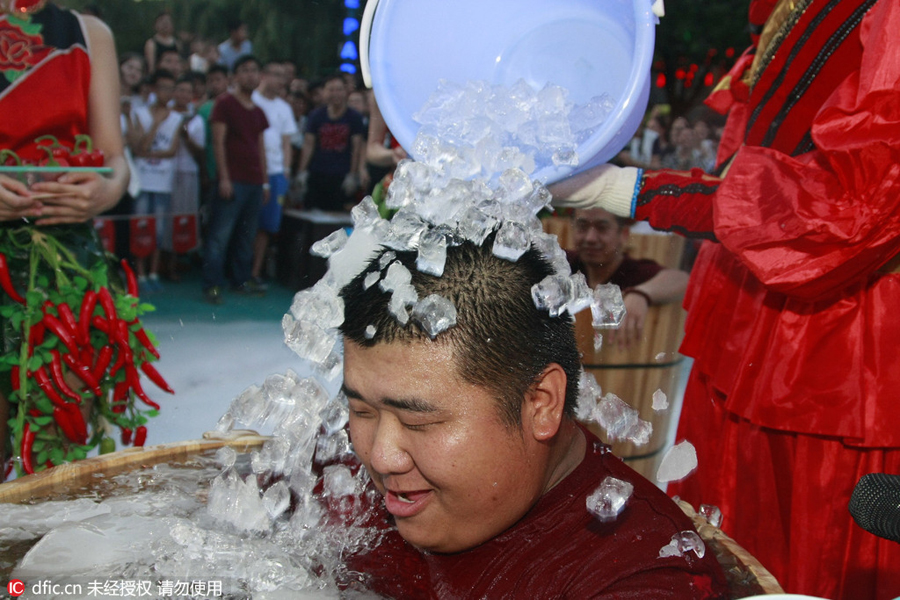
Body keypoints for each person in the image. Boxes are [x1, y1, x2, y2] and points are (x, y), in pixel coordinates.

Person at [548, 0, 900, 598]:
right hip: (747, 322)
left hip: (834, 351)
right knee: (725, 552)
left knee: (811, 572)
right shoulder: (786, 11)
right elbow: (748, 162)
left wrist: (631, 189)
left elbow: (858, 204)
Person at [334, 235, 728, 599]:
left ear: (541, 404)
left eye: (418, 422)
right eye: (361, 411)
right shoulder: (340, 484)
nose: (380, 457)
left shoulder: (640, 573)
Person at [0, 0, 131, 468]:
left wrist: (107, 189)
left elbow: (114, 159)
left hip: (66, 269)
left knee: (58, 458)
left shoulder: (88, 33)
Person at [568, 207, 689, 348]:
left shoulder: (634, 271)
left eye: (602, 228)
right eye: (582, 227)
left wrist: (640, 294)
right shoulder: (565, 264)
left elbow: (682, 280)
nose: (590, 238)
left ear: (624, 234)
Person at [203, 55, 268, 304]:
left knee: (246, 235)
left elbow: (260, 147)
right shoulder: (224, 104)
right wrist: (224, 178)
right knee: (220, 235)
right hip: (232, 180)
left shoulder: (259, 111)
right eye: (245, 70)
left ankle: (240, 280)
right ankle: (212, 284)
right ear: (235, 76)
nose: (250, 75)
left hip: (253, 181)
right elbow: (217, 143)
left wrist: (264, 182)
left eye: (254, 70)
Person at [131, 69, 181, 291]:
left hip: (163, 181)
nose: (167, 93)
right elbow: (139, 148)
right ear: (153, 89)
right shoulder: (140, 113)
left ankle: (154, 272)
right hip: (142, 180)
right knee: (141, 226)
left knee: (159, 229)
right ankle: (140, 274)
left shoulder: (178, 117)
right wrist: (156, 123)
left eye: (171, 88)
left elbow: (171, 151)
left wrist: (149, 153)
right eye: (162, 87)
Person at [250, 61, 297, 287]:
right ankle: (238, 272)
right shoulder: (251, 100)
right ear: (264, 75)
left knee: (266, 227)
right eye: (276, 74)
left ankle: (255, 272)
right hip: (251, 170)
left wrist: (286, 171)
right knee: (246, 223)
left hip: (276, 171)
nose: (280, 80)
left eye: (283, 76)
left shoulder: (284, 108)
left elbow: (287, 143)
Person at [297, 74, 367, 212]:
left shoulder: (354, 117)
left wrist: (353, 174)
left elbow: (357, 147)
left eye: (339, 89)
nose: (335, 94)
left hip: (341, 175)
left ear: (346, 91)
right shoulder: (316, 116)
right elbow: (309, 145)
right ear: (324, 92)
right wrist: (301, 171)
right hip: (317, 173)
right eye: (331, 89)